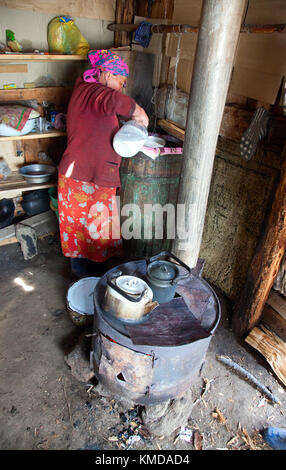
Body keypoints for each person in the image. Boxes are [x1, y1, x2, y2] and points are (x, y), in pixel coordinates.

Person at [57, 49, 149, 278]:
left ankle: (84, 279)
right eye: (121, 81)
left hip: (84, 175)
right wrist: (140, 112)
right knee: (93, 230)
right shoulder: (93, 91)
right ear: (107, 75)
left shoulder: (86, 91)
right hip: (86, 176)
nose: (122, 86)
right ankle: (89, 283)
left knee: (83, 229)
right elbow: (115, 100)